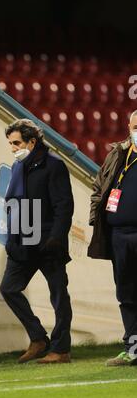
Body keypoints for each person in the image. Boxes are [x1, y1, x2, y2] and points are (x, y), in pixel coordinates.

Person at [0, 119, 74, 364]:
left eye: (17, 143)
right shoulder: (18, 166)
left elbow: (64, 205)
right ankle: (39, 338)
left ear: (32, 141)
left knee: (58, 295)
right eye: (10, 143)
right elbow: (12, 205)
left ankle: (61, 349)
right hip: (23, 241)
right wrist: (12, 239)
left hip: (47, 242)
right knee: (9, 288)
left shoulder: (53, 165)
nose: (13, 148)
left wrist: (56, 238)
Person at [88, 110, 137, 366]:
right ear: (128, 127)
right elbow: (99, 186)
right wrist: (96, 217)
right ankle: (133, 349)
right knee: (126, 294)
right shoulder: (118, 154)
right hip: (118, 235)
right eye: (136, 126)